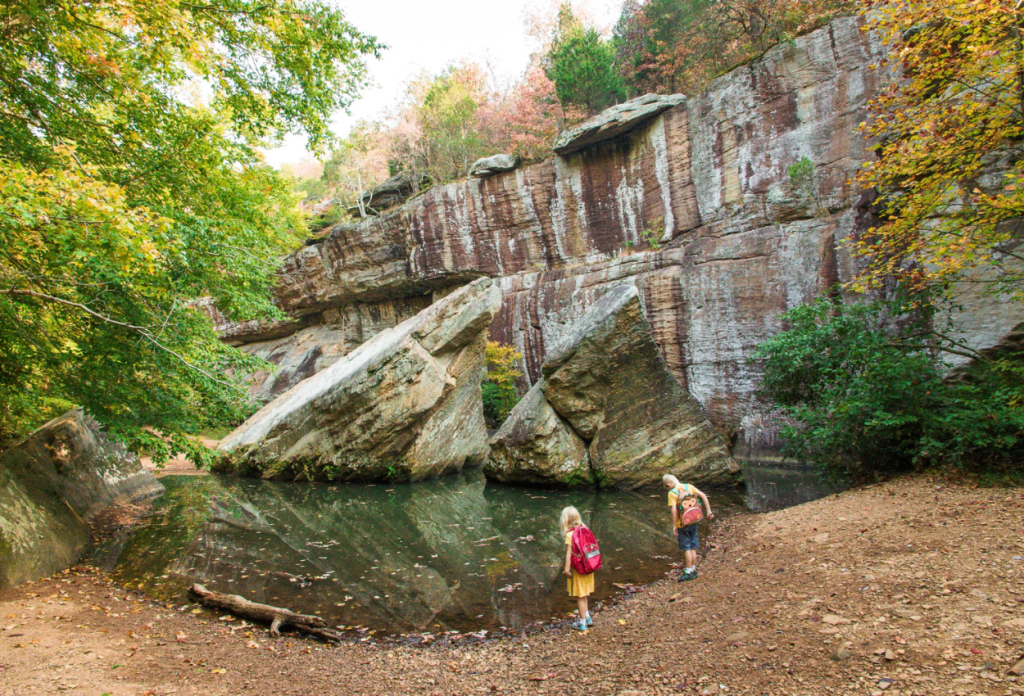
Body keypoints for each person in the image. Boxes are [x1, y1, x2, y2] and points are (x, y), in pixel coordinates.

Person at [662, 474, 714, 581]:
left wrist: (674, 525)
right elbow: (703, 496)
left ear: (668, 484)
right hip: (693, 521)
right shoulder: (688, 487)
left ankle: (688, 571)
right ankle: (694, 569)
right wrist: (708, 511)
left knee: (686, 548)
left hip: (682, 524)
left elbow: (674, 510)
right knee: (693, 546)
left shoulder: (672, 493)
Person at [560, 506, 594, 631]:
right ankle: (587, 616)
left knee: (579, 595)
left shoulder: (570, 534)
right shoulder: (585, 529)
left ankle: (582, 623)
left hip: (578, 568)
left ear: (565, 520)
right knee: (584, 593)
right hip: (588, 565)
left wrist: (567, 570)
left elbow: (569, 554)